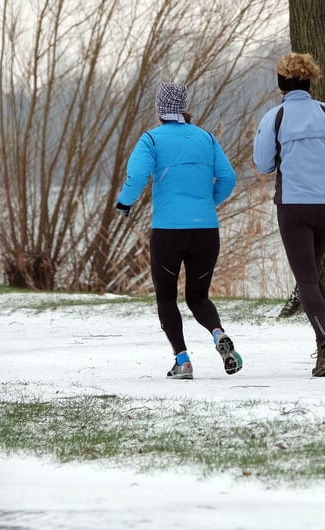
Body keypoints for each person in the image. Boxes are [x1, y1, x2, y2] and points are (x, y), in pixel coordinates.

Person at [116, 82, 242, 380]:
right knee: (198, 297)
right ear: (184, 107)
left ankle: (183, 361)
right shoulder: (206, 137)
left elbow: (136, 176)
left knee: (166, 297)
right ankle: (218, 333)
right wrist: (207, 203)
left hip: (168, 231)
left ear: (159, 109)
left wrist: (124, 203)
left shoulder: (151, 139)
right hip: (205, 230)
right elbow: (228, 178)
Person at [253, 53, 325, 377]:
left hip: (294, 206)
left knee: (305, 278)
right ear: (310, 81)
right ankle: (323, 357)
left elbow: (263, 164)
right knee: (312, 276)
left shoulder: (274, 118)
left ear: (281, 84)